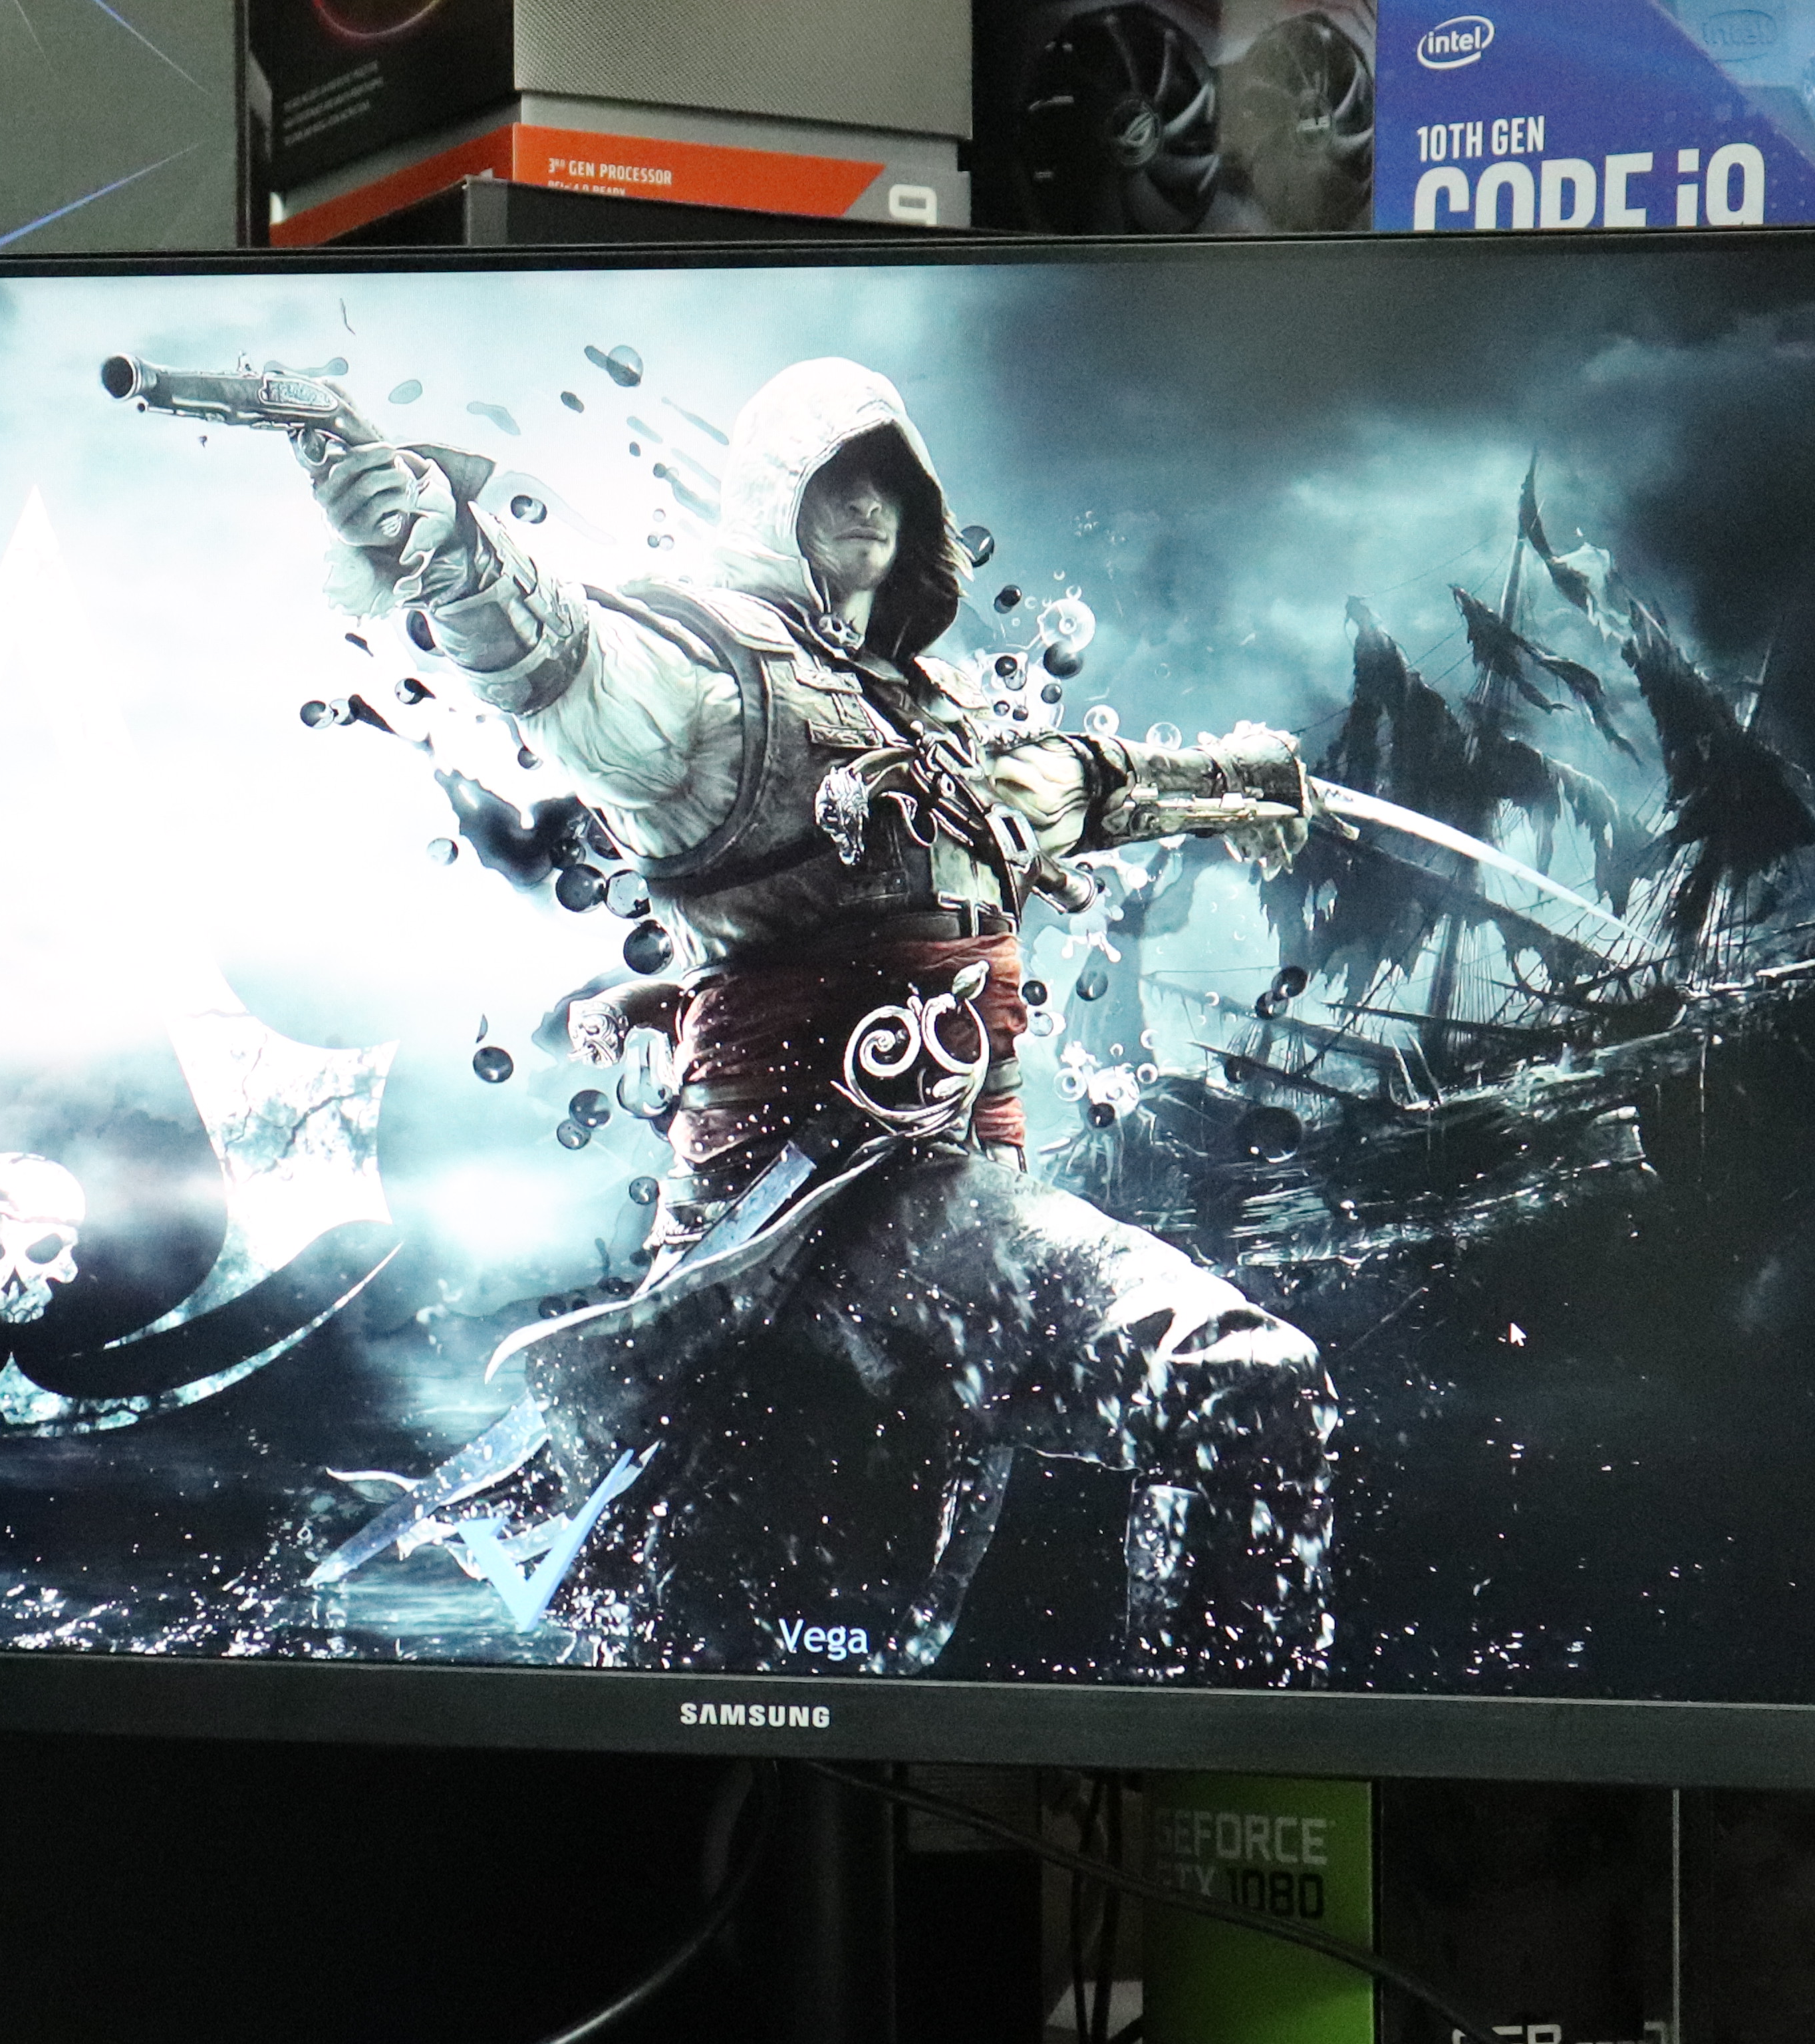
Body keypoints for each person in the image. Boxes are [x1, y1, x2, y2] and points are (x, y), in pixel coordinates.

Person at [301, 357, 1339, 1680]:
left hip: (925, 1225)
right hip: (812, 1220)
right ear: (771, 496)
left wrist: (1247, 777)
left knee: (793, 1669)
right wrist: (443, 547)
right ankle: (1210, 1751)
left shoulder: (945, 721)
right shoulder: (706, 678)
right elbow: (557, 659)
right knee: (1240, 1380)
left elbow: (1086, 782)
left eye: (891, 482)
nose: (867, 504)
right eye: (837, 476)